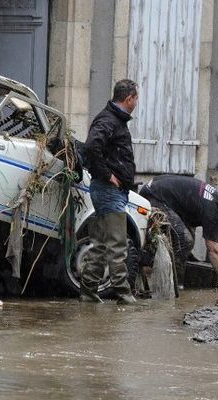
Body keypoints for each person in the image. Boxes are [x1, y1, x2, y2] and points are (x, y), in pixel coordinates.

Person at [81, 79, 139, 304]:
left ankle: (87, 292)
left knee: (102, 244)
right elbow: (91, 146)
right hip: (108, 190)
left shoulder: (114, 120)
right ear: (129, 99)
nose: (136, 103)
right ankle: (124, 295)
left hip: (109, 191)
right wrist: (108, 175)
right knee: (117, 245)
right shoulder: (109, 120)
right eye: (136, 99)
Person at [139, 175, 218, 293]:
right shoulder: (211, 211)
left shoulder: (214, 200)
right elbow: (214, 250)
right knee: (185, 241)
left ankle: (168, 270)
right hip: (154, 195)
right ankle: (174, 285)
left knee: (188, 237)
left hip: (156, 189)